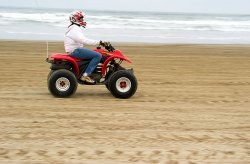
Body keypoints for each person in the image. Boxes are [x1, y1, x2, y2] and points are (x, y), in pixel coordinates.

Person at [64, 10, 107, 84]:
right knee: (98, 55)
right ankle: (85, 76)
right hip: (76, 51)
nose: (82, 20)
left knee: (95, 52)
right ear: (75, 19)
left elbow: (82, 40)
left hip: (75, 50)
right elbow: (83, 40)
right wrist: (99, 42)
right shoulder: (74, 29)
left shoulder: (73, 28)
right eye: (81, 18)